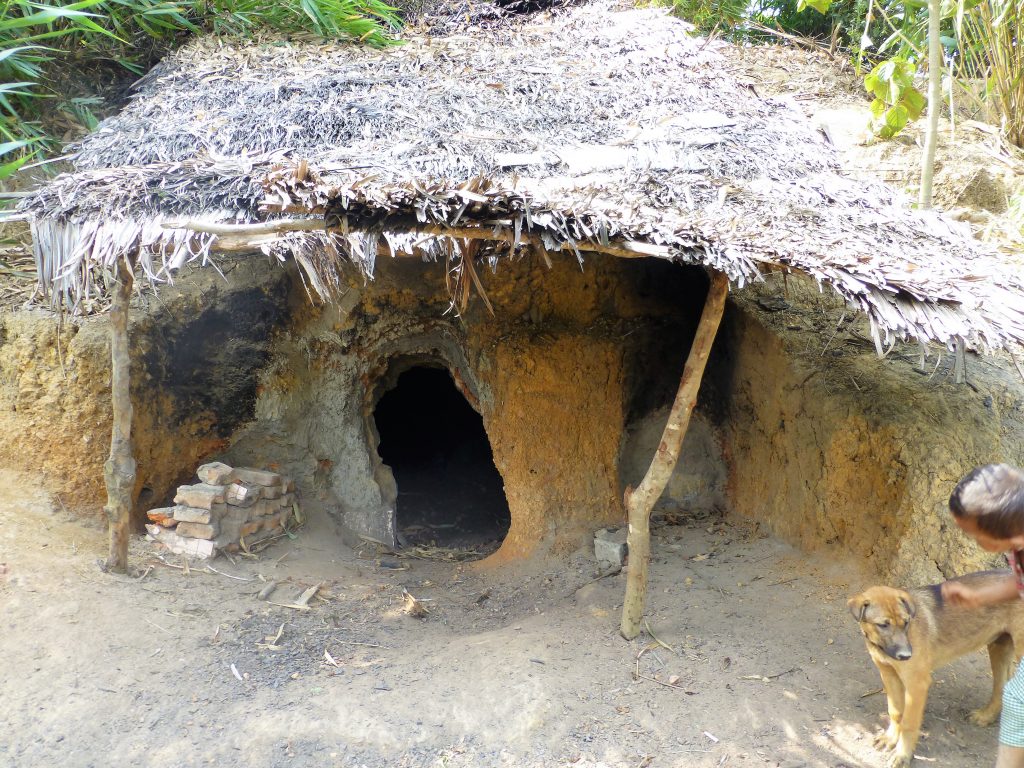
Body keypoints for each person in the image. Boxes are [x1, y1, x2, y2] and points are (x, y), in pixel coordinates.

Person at [943, 463, 1024, 768]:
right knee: (1018, 700)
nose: (970, 539)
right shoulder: (1018, 546)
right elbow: (1017, 583)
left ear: (999, 531)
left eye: (972, 534)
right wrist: (979, 596)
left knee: (1017, 699)